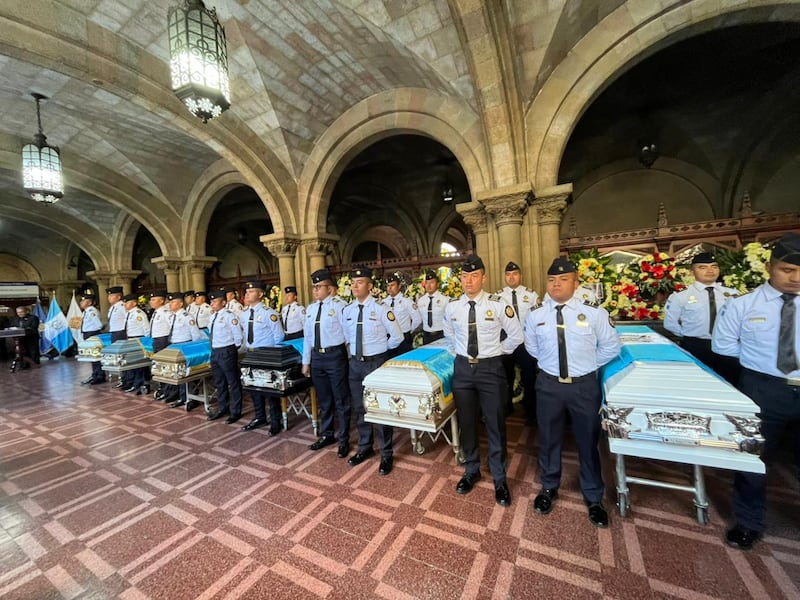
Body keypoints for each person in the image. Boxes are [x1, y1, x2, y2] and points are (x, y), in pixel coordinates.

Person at [712, 232, 800, 550]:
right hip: (763, 388)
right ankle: (749, 522)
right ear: (769, 267)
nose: (795, 278)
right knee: (752, 459)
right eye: (787, 270)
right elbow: (723, 346)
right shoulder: (742, 306)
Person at [524, 257, 621, 527]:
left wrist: (587, 365)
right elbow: (532, 349)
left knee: (587, 440)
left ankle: (593, 496)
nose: (556, 284)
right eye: (552, 280)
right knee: (549, 438)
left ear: (576, 284)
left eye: (563, 279)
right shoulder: (536, 315)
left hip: (583, 386)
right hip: (548, 386)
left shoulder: (594, 313)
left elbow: (611, 347)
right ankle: (549, 487)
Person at [443, 255, 523, 507]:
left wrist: (496, 351)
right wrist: (459, 354)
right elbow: (449, 334)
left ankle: (500, 478)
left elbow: (516, 335)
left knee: (495, 422)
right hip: (464, 370)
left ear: (483, 278)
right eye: (464, 276)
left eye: (474, 276)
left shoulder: (498, 305)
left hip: (491, 370)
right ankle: (472, 469)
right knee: (467, 422)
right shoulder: (453, 307)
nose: (468, 281)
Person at [342, 266, 404, 474]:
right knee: (360, 408)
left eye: (359, 282)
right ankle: (365, 447)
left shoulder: (381, 309)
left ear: (369, 286)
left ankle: (386, 454)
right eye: (352, 283)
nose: (355, 286)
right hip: (355, 364)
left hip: (376, 363)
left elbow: (397, 337)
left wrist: (380, 351)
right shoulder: (348, 311)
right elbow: (346, 337)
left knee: (379, 409)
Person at [664, 252, 740, 384]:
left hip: (727, 344)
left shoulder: (732, 294)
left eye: (714, 266)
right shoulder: (681, 296)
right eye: (703, 267)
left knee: (731, 382)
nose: (710, 270)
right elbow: (670, 323)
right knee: (696, 382)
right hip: (696, 345)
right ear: (692, 271)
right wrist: (688, 335)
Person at [302, 269, 351, 456]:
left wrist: (347, 358)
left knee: (341, 399)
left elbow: (348, 337)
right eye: (314, 287)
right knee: (324, 399)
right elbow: (308, 337)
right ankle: (327, 434)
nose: (315, 290)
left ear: (330, 289)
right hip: (317, 358)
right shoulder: (311, 309)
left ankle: (344, 439)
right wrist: (306, 362)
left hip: (335, 356)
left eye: (319, 286)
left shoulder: (340, 307)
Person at [237, 281, 285, 429]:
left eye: (251, 292)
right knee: (253, 387)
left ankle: (276, 421)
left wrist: (268, 351)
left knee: (269, 388)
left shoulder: (268, 313)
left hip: (265, 354)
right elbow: (245, 335)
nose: (247, 294)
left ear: (260, 294)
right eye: (246, 292)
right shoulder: (244, 314)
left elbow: (279, 336)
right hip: (250, 354)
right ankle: (260, 417)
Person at [497, 261, 539, 421]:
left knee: (529, 376)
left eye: (514, 274)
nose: (511, 277)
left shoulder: (531, 295)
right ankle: (507, 407)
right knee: (506, 377)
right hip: (507, 341)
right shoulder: (499, 296)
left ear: (520, 276)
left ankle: (531, 411)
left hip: (526, 342)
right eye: (508, 274)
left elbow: (537, 319)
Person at [205, 290, 245, 426]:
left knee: (233, 382)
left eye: (215, 301)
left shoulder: (229, 316)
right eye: (211, 301)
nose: (212, 304)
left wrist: (232, 350)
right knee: (220, 382)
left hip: (227, 350)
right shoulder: (212, 317)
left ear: (223, 302)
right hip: (215, 351)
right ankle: (223, 408)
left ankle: (236, 411)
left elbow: (238, 336)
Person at [163, 291, 205, 409]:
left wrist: (192, 350)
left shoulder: (187, 317)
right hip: (174, 345)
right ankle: (182, 396)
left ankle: (192, 398)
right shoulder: (172, 316)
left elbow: (195, 335)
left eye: (173, 302)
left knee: (187, 374)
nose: (170, 304)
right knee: (179, 373)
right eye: (170, 302)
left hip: (185, 346)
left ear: (181, 304)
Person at [384, 271, 420, 357]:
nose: (390, 288)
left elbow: (417, 319)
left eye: (392, 285)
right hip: (388, 337)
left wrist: (409, 330)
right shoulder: (383, 302)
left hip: (404, 338)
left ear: (399, 286)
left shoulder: (406, 301)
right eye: (388, 285)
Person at [122, 293, 150, 394]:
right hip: (131, 340)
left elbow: (146, 329)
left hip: (138, 340)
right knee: (132, 363)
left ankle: (140, 384)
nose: (125, 305)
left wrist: (145, 343)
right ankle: (134, 383)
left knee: (139, 364)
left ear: (134, 303)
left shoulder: (138, 313)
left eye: (127, 302)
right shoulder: (128, 313)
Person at [149, 291, 172, 401]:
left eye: (154, 299)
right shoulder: (156, 312)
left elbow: (172, 326)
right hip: (157, 340)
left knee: (165, 366)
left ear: (161, 301)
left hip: (163, 340)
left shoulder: (165, 312)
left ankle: (168, 390)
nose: (151, 302)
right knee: (159, 365)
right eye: (151, 300)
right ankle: (163, 387)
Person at [78, 291, 105, 384]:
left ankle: (99, 376)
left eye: (83, 301)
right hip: (87, 334)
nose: (81, 303)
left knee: (96, 356)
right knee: (91, 356)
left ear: (89, 302)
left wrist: (93, 333)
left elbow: (99, 325)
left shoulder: (91, 311)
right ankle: (95, 374)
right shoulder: (85, 312)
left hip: (92, 334)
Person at [417, 269, 448, 344]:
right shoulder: (421, 300)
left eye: (432, 282)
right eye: (427, 283)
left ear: (437, 284)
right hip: (426, 335)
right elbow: (419, 318)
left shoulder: (445, 300)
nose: (429, 285)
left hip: (441, 334)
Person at [106, 286, 127, 387]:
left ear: (118, 297)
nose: (109, 298)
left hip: (121, 333)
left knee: (122, 356)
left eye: (111, 295)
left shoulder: (122, 306)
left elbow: (127, 318)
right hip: (114, 333)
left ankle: (126, 378)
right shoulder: (113, 307)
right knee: (117, 356)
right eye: (109, 296)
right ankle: (122, 377)